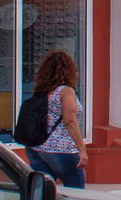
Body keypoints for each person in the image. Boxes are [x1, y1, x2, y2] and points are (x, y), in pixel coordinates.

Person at [25, 50, 87, 189]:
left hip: (36, 149)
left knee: (42, 194)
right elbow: (69, 121)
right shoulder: (66, 92)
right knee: (76, 193)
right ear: (69, 70)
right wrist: (82, 149)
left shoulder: (42, 91)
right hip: (62, 150)